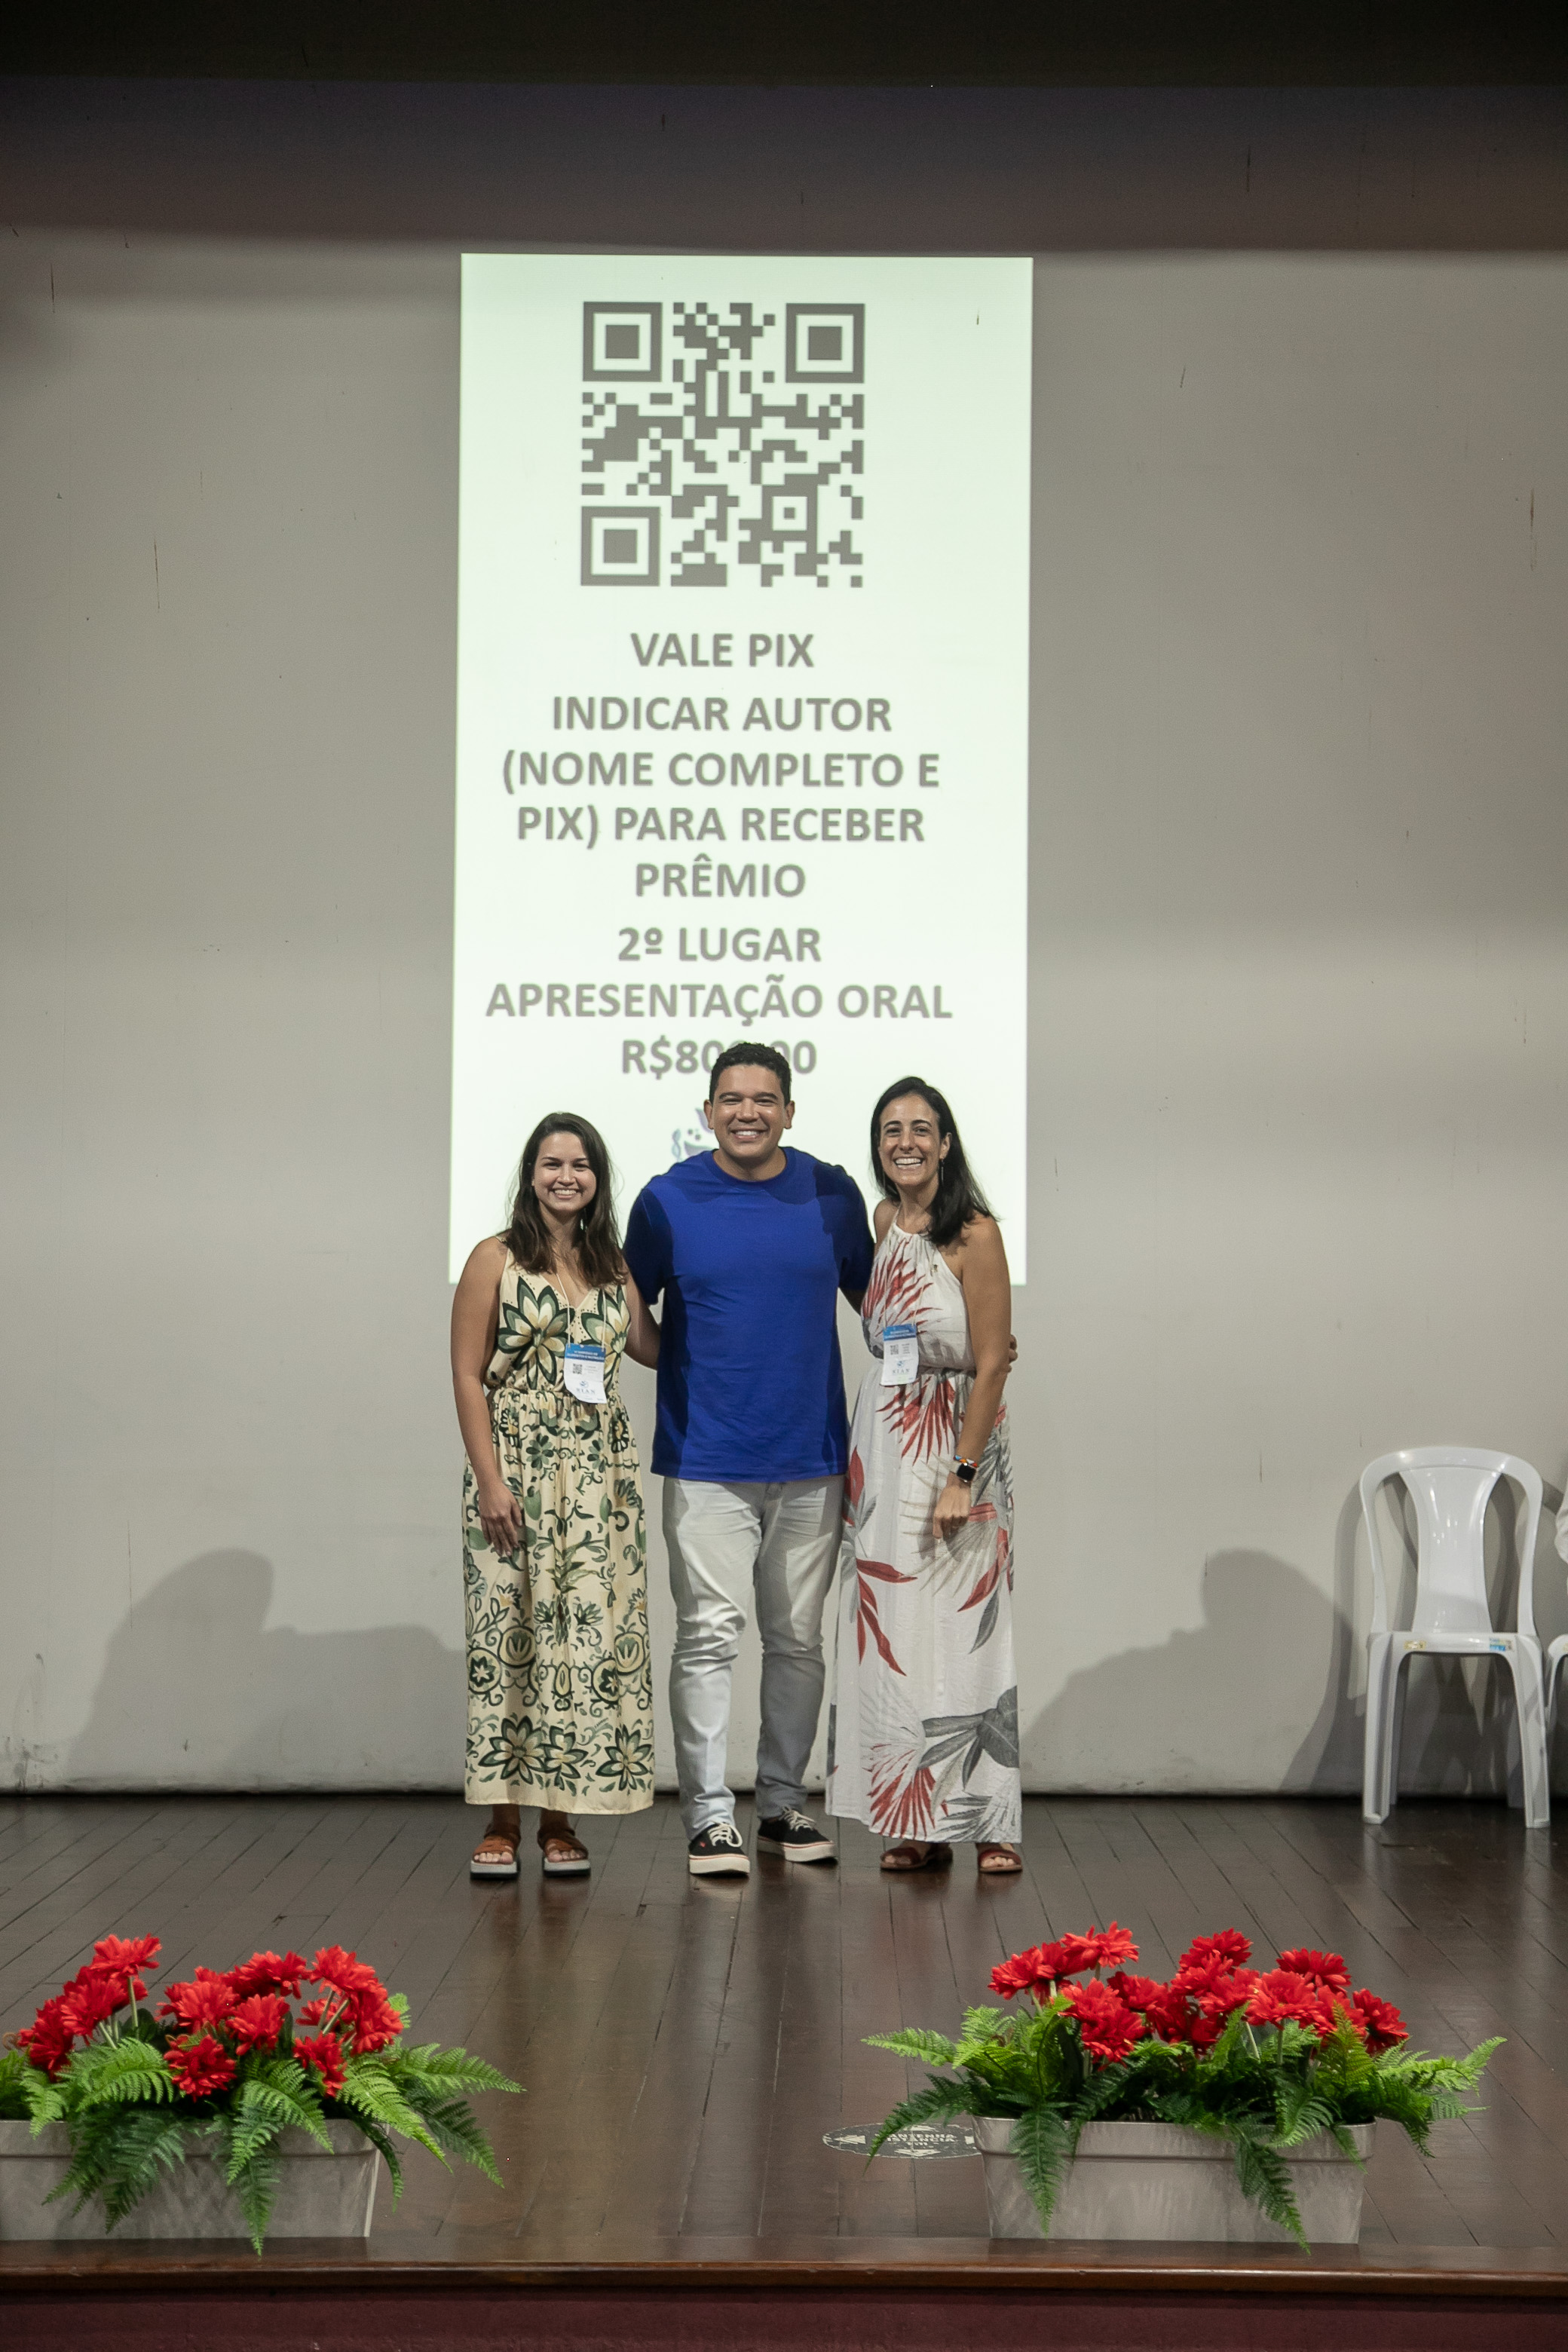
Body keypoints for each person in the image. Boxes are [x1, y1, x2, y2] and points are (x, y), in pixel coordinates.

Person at [623, 1043, 876, 1877]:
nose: (747, 1113)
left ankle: (781, 1806)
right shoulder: (664, 1201)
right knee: (707, 1637)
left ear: (789, 1112)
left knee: (798, 1641)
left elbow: (881, 1308)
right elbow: (627, 1311)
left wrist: (970, 1343)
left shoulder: (832, 1194)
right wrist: (685, 1365)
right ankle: (706, 1817)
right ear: (708, 1112)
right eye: (731, 1099)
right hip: (705, 1459)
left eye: (764, 1099)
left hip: (812, 1457)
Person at [451, 1114, 660, 1879]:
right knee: (511, 1634)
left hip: (600, 1478)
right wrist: (490, 1482)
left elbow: (653, 1349)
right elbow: (466, 1375)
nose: (566, 1177)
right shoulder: (495, 1257)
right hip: (518, 1469)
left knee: (579, 1643)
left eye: (580, 1165)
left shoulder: (613, 1266)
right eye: (551, 1164)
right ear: (530, 1174)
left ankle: (561, 1820)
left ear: (598, 1179)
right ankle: (503, 1820)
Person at [825, 1077, 1021, 1874]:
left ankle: (990, 1822)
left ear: (944, 1143)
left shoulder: (974, 1232)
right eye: (890, 1130)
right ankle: (918, 1823)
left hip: (953, 1444)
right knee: (898, 1635)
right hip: (884, 1446)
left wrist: (962, 1475)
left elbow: (992, 1363)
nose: (904, 1142)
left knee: (966, 1627)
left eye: (919, 1129)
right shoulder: (883, 1223)